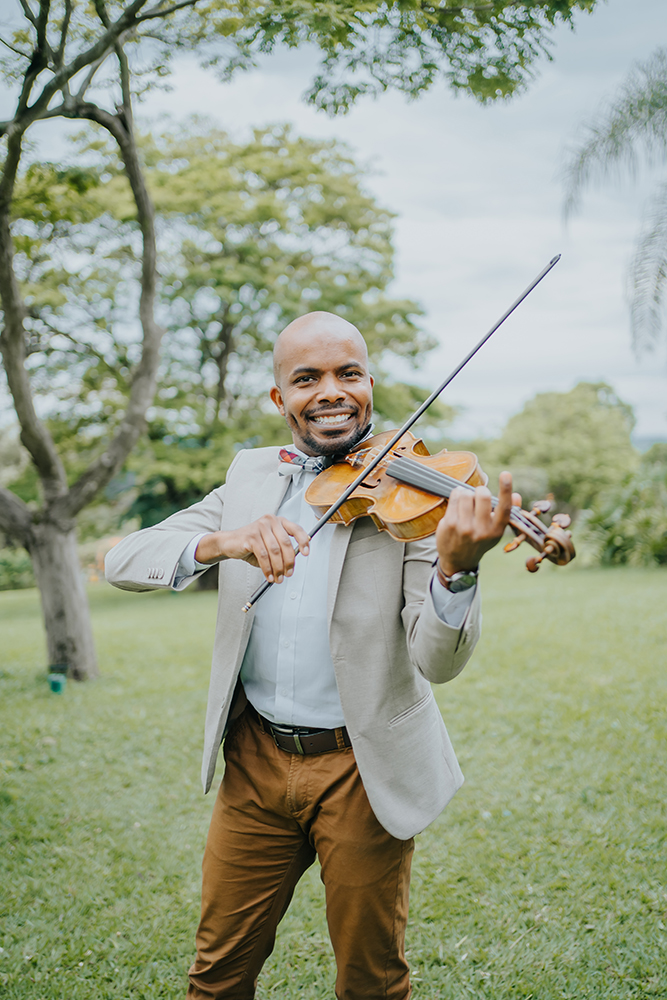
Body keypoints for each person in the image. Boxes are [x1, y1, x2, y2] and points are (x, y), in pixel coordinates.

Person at [105, 311, 518, 1000]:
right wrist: (222, 542)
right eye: (307, 378)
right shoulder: (248, 479)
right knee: (216, 974)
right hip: (255, 763)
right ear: (280, 399)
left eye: (347, 374)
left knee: (369, 980)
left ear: (368, 383)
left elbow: (437, 661)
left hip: (359, 768)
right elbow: (122, 557)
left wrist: (457, 571)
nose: (330, 391)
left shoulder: (410, 498)